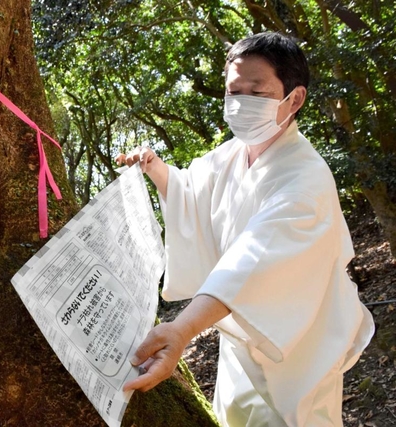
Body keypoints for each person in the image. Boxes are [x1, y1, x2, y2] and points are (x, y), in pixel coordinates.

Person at [116, 32, 374, 426]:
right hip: (240, 340)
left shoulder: (306, 179)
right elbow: (192, 194)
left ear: (295, 98)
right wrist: (156, 170)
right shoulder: (233, 154)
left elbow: (254, 260)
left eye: (256, 91)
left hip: (296, 346)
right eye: (233, 91)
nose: (240, 104)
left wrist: (183, 329)